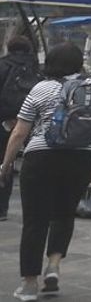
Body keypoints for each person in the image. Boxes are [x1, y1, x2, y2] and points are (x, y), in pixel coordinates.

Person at [0, 41, 91, 302]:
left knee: (35, 219)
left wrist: (6, 163)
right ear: (79, 64)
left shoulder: (40, 88)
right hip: (83, 156)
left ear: (50, 63)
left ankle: (29, 284)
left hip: (41, 156)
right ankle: (53, 265)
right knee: (65, 213)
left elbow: (20, 131)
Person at [0, 36, 39, 221]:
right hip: (27, 121)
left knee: (3, 159)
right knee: (8, 161)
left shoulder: (3, 65)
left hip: (3, 119)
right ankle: (2, 208)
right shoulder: (35, 68)